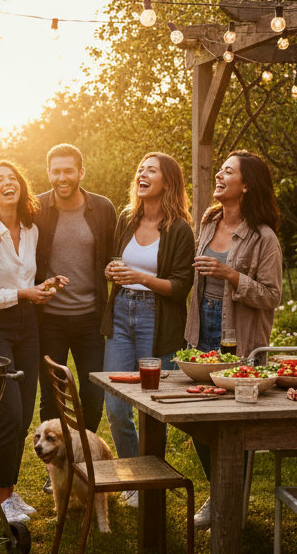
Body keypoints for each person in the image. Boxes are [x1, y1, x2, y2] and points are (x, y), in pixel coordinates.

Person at [0, 160, 67, 524]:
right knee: (7, 413)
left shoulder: (31, 229)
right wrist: (24, 293)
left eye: (13, 178)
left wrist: (45, 286)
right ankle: (0, 500)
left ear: (21, 186)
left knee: (23, 414)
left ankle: (7, 492)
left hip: (27, 326)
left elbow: (28, 279)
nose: (8, 183)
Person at [184, 149, 282, 530]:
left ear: (246, 185)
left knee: (232, 422)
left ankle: (227, 501)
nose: (220, 176)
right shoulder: (208, 223)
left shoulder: (263, 237)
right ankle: (226, 494)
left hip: (237, 335)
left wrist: (230, 275)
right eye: (221, 169)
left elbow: (272, 295)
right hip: (202, 329)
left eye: (229, 171)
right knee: (196, 415)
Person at [101, 152, 194, 506]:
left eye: (151, 170)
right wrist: (114, 272)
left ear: (167, 182)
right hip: (122, 312)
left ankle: (150, 481)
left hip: (157, 319)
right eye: (140, 168)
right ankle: (133, 475)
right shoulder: (127, 218)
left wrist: (140, 277)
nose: (142, 173)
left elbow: (181, 286)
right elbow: (115, 259)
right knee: (115, 403)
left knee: (153, 405)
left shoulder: (180, 229)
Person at [34, 144, 116, 459]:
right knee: (52, 396)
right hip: (49, 318)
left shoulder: (103, 208)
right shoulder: (37, 207)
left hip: (90, 318)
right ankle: (54, 456)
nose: (62, 177)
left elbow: (111, 253)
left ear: (81, 172)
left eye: (69, 170)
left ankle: (84, 456)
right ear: (48, 173)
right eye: (56, 171)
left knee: (93, 394)